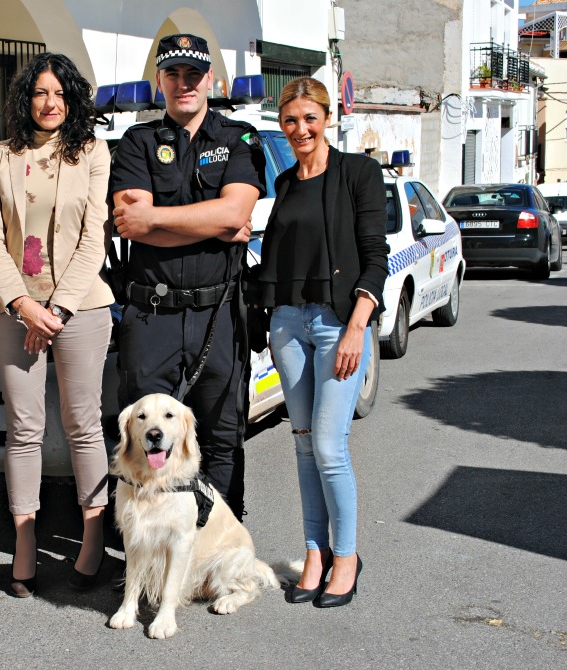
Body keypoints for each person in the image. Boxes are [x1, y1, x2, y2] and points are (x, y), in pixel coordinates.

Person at [110, 34, 265, 521]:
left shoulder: (238, 137)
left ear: (210, 80)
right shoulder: (137, 142)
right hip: (151, 316)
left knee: (220, 434)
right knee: (145, 439)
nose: (183, 84)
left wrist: (156, 220)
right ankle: (148, 548)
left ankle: (214, 545)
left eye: (193, 75)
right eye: (173, 74)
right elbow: (128, 220)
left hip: (217, 314)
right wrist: (216, 224)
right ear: (160, 81)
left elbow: (237, 210)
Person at [0, 53, 113, 597]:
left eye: (59, 93)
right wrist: (22, 305)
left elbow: (94, 239)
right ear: (25, 99)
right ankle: (25, 542)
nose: (50, 103)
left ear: (72, 98)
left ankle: (91, 539)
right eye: (39, 93)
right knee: (24, 429)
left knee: (83, 424)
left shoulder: (94, 153)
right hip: (13, 311)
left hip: (80, 308)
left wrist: (55, 310)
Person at [259, 77, 388, 608]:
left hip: (339, 325)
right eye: (290, 120)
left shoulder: (358, 173)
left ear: (326, 118)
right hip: (289, 324)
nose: (300, 129)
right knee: (304, 444)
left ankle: (347, 555)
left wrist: (358, 326)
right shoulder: (285, 182)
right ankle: (314, 552)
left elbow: (374, 255)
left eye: (309, 118)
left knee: (331, 447)